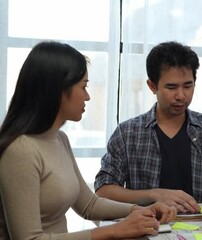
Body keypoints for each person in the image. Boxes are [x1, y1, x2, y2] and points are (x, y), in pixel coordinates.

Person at [0, 41, 176, 240]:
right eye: (83, 87)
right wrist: (113, 231)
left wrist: (141, 210)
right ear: (58, 90)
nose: (88, 96)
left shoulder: (59, 139)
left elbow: (89, 204)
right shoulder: (20, 150)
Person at [94, 41, 202, 223]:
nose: (181, 95)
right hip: (151, 228)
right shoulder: (128, 133)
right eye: (171, 87)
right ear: (152, 86)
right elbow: (103, 189)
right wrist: (154, 195)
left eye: (187, 86)